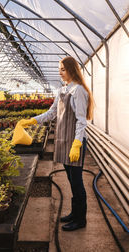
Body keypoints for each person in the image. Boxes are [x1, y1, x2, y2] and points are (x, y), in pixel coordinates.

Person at [19, 56, 94, 231]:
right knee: (70, 179)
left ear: (71, 70)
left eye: (62, 69)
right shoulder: (63, 90)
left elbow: (81, 121)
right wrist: (31, 121)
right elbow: (52, 113)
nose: (59, 72)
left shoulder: (79, 91)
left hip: (74, 143)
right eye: (59, 69)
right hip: (64, 141)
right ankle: (74, 213)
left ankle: (80, 219)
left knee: (77, 182)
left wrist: (77, 144)